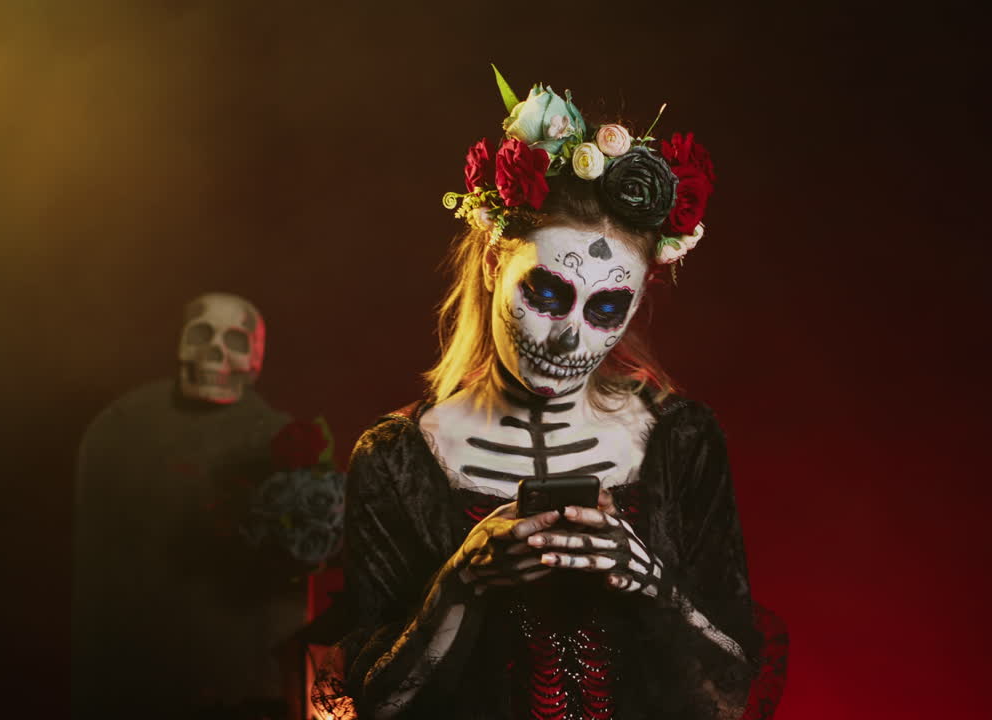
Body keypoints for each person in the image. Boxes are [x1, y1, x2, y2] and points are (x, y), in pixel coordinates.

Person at [316, 71, 765, 720]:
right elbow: (378, 704)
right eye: (548, 295)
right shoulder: (397, 460)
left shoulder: (681, 442)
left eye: (607, 306)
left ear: (638, 301)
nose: (569, 338)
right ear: (496, 262)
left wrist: (645, 579)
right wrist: (461, 583)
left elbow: (730, 693)